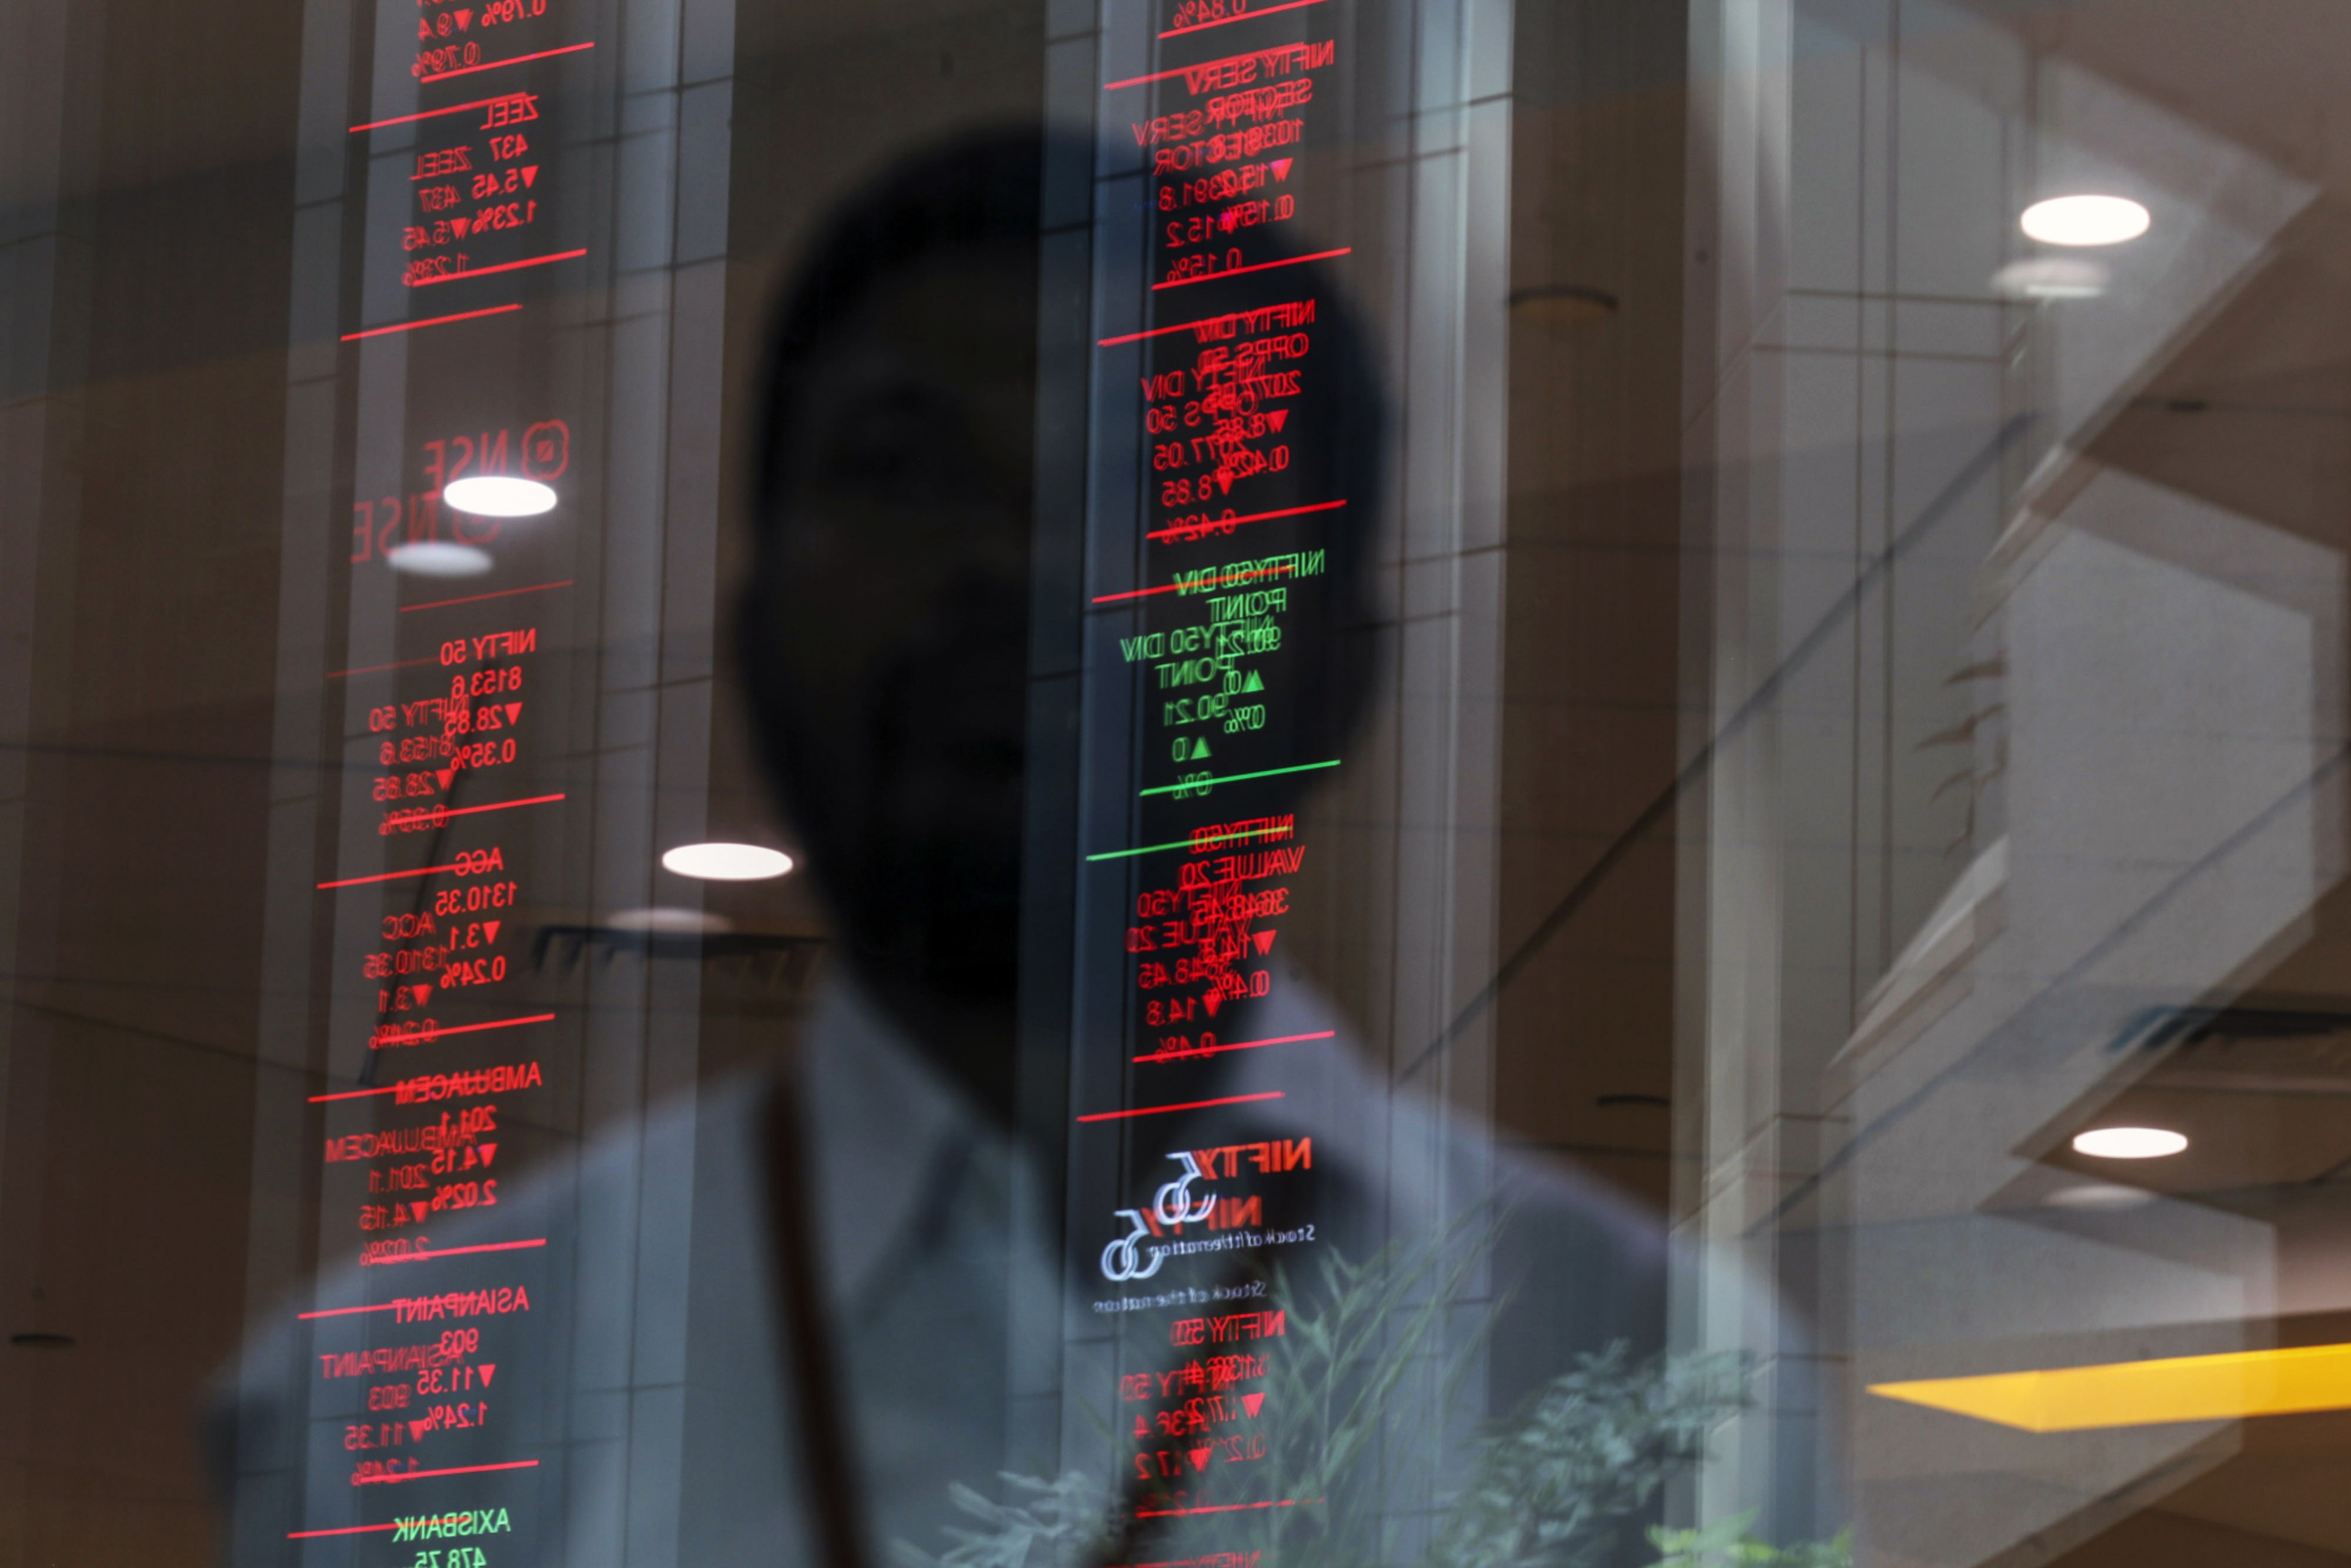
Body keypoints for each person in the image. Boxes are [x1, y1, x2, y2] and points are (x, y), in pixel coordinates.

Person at [211, 127, 1689, 1568]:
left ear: (1345, 666)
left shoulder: (1646, 1365)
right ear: (752, 631)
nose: (1020, 565)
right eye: (906, 470)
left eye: (1152, 483)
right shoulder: (378, 1427)